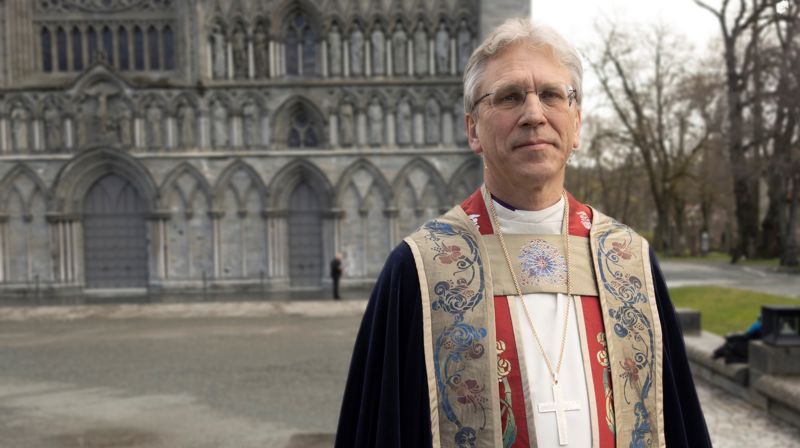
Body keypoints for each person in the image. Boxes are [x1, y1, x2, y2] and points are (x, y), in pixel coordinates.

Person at [336, 18, 711, 448]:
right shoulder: (420, 268)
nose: (534, 115)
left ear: (577, 124)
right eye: (510, 97)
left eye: (552, 95)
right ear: (473, 129)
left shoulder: (628, 260)